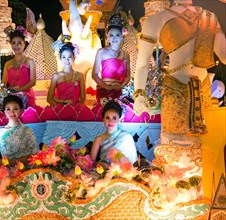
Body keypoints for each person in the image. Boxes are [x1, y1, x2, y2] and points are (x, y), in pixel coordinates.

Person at [133, 0, 226, 145]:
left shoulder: (209, 17)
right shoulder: (156, 19)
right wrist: (139, 94)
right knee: (175, 148)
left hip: (203, 93)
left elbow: (224, 54)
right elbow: (142, 64)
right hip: (175, 94)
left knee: (206, 147)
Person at [92, 14, 131, 102]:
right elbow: (94, 74)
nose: (114, 38)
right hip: (104, 90)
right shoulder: (101, 52)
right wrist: (106, 87)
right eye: (111, 35)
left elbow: (128, 76)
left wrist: (120, 87)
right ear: (107, 37)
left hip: (118, 91)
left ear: (122, 37)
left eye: (117, 35)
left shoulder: (125, 55)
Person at [0, 95, 39, 166]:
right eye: (8, 109)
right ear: (4, 111)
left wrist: (11, 163)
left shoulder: (27, 130)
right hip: (6, 171)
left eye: (15, 109)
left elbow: (34, 155)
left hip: (25, 171)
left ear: (21, 110)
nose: (12, 112)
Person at [90, 101, 137, 165]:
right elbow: (91, 163)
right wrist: (101, 165)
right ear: (103, 119)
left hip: (123, 173)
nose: (110, 121)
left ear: (119, 120)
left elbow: (132, 163)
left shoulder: (126, 137)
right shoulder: (99, 139)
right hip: (103, 172)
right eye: (107, 118)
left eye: (114, 118)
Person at [2, 26, 36, 108]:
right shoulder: (8, 64)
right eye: (13, 43)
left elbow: (33, 82)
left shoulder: (30, 62)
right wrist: (5, 91)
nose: (16, 46)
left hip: (26, 94)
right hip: (11, 93)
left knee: (19, 98)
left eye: (19, 43)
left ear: (24, 43)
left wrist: (19, 89)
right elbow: (3, 84)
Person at [47, 42, 86, 106]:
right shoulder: (56, 76)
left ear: (74, 57)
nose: (67, 60)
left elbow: (83, 98)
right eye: (64, 57)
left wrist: (76, 109)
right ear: (60, 58)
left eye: (69, 57)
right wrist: (60, 109)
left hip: (75, 109)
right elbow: (49, 99)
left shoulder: (80, 76)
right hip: (60, 109)